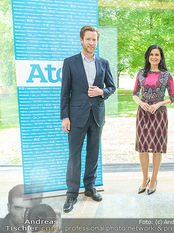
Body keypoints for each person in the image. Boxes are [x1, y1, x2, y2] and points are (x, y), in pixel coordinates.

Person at [60, 25, 116, 212]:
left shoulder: (103, 63)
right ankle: (71, 194)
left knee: (93, 153)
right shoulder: (70, 62)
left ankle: (90, 188)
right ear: (81, 40)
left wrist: (102, 92)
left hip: (97, 116)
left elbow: (112, 87)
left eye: (94, 40)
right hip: (76, 117)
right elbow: (65, 92)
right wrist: (65, 117)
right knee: (74, 156)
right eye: (88, 39)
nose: (91, 43)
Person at [132, 44, 174, 195]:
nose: (154, 57)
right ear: (147, 56)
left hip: (159, 114)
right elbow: (134, 94)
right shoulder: (141, 73)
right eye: (151, 54)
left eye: (157, 54)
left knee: (157, 147)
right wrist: (141, 103)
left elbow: (173, 98)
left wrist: (159, 104)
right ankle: (144, 178)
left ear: (161, 57)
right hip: (143, 113)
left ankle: (154, 179)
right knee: (143, 147)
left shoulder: (167, 75)